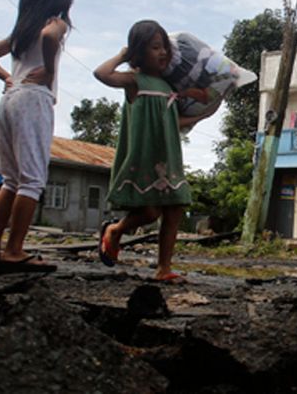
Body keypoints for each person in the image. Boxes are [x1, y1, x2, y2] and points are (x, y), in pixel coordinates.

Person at [93, 20, 218, 282]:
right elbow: (101, 73)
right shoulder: (134, 81)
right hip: (144, 158)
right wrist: (122, 55)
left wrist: (202, 116)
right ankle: (115, 231)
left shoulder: (171, 88)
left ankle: (164, 268)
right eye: (155, 47)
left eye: (164, 48)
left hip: (169, 157)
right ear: (138, 52)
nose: (162, 53)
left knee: (175, 208)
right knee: (149, 213)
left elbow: (172, 122)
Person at [0, 0, 74, 275]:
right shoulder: (55, 23)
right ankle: (14, 250)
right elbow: (50, 36)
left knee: (11, 180)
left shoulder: (22, 29)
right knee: (31, 180)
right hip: (33, 99)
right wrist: (49, 71)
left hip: (9, 99)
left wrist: (7, 76)